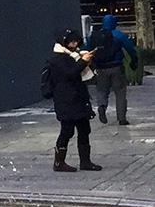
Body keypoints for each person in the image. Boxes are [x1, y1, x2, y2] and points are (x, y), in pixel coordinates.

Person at [45, 28, 101, 172]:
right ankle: (59, 162)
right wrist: (83, 62)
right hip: (66, 100)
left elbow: (81, 73)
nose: (75, 43)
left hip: (79, 98)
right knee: (67, 131)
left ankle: (86, 161)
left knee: (84, 129)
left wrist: (86, 60)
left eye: (76, 41)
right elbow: (70, 74)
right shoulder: (57, 59)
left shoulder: (75, 56)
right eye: (71, 41)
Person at [85, 14, 137, 125]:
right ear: (114, 23)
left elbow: (86, 50)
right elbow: (130, 49)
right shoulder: (118, 35)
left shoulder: (94, 36)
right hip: (117, 67)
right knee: (120, 92)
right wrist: (134, 61)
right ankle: (121, 118)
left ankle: (102, 106)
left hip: (100, 68)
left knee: (102, 90)